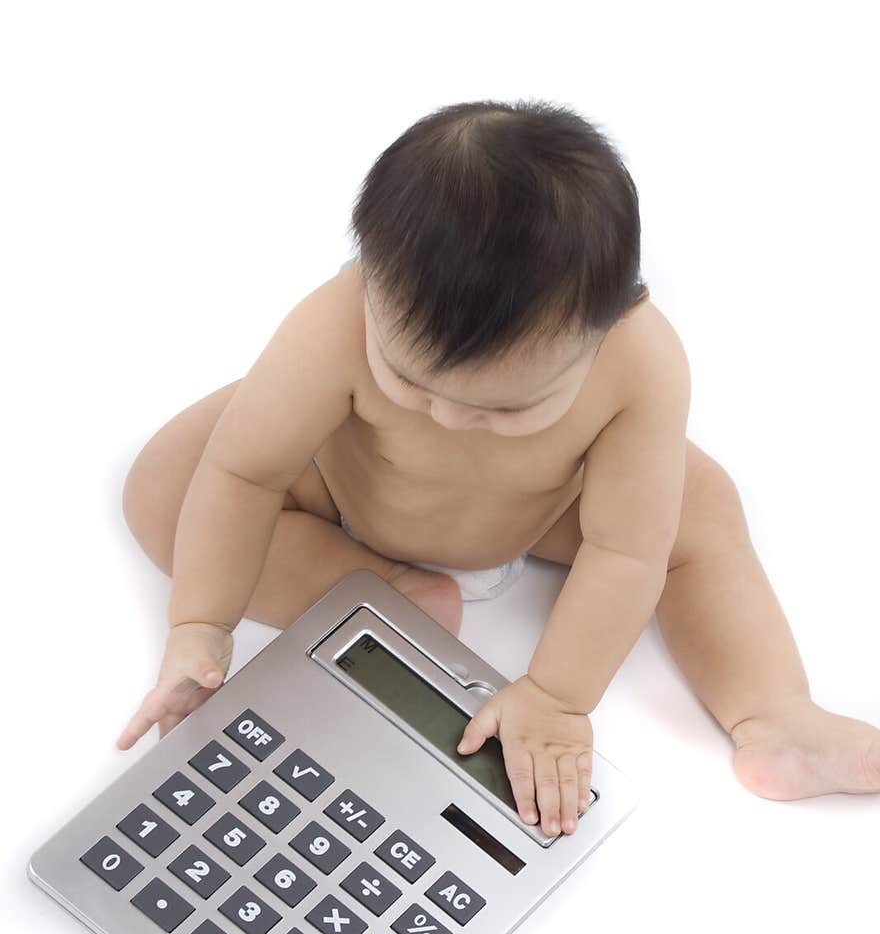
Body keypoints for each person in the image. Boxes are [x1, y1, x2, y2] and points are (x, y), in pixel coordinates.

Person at [118, 98, 880, 838]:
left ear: (609, 321)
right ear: (370, 275)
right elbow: (246, 474)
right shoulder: (333, 322)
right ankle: (391, 593)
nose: (450, 420)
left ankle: (776, 714)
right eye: (410, 384)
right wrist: (201, 623)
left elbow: (625, 550)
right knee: (167, 484)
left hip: (544, 513)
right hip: (344, 488)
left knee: (701, 509)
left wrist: (556, 696)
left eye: (509, 409)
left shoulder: (643, 362)